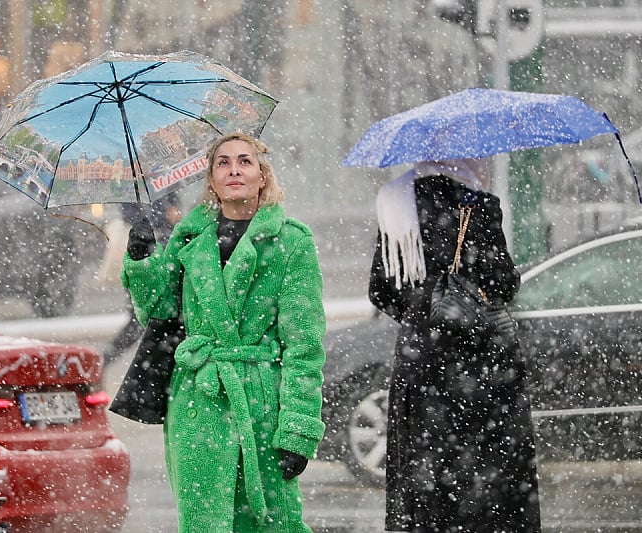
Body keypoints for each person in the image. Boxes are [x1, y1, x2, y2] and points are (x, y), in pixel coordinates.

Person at [121, 132, 326, 531]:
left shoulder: (291, 242)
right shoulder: (188, 238)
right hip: (198, 401)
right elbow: (159, 312)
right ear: (212, 181)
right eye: (223, 162)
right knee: (203, 521)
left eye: (245, 161)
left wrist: (298, 429)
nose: (234, 169)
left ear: (263, 176)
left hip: (262, 404)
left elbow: (304, 345)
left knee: (272, 521)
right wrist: (142, 259)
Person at [368, 159, 541, 532]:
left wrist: (422, 316)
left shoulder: (396, 205)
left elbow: (380, 291)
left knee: (425, 475)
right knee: (488, 476)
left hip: (421, 364)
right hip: (482, 368)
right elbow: (503, 286)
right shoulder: (478, 204)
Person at [102, 195, 181, 364]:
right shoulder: (133, 187)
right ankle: (111, 357)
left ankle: (113, 357)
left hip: (164, 251)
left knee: (149, 322)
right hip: (144, 257)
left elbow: (174, 209)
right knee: (141, 319)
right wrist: (158, 219)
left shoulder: (161, 181)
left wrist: (173, 210)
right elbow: (131, 216)